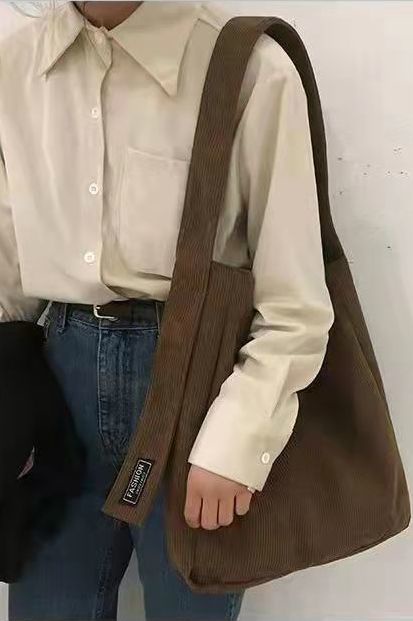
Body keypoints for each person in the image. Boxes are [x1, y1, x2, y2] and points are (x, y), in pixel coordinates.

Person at [1, 1, 334, 619]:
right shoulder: (15, 67)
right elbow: (7, 273)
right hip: (54, 404)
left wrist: (239, 437)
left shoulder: (248, 69)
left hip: (196, 401)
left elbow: (295, 305)